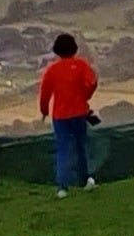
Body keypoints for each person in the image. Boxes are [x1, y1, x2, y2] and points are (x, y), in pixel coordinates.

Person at [36, 32, 99, 194]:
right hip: (79, 113)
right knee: (81, 146)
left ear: (57, 50)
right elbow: (92, 82)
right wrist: (85, 96)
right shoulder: (81, 65)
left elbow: (45, 93)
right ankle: (86, 180)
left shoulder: (52, 70)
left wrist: (44, 111)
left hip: (59, 116)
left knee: (62, 149)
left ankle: (62, 188)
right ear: (74, 48)